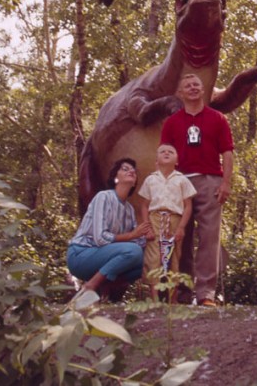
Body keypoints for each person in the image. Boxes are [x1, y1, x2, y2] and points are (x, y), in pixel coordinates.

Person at [160, 73, 234, 306]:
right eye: (187, 86)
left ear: (203, 90)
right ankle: (181, 292)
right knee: (181, 237)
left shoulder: (218, 119)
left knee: (209, 237)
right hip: (180, 181)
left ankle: (205, 295)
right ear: (180, 93)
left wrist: (226, 182)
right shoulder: (172, 123)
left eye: (196, 85)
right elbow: (164, 154)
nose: (192, 88)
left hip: (210, 181)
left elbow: (228, 152)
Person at [67, 156, 152, 301]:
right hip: (81, 255)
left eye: (133, 171)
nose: (131, 171)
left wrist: (148, 238)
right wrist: (133, 235)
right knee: (133, 251)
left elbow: (137, 242)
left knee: (148, 258)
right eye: (125, 169)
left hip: (105, 257)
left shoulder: (129, 209)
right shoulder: (103, 197)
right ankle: (90, 286)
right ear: (115, 178)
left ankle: (105, 291)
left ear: (134, 184)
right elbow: (100, 238)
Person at [137, 143, 197, 301]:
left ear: (177, 161)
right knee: (153, 256)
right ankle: (155, 298)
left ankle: (172, 298)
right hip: (155, 218)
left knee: (174, 256)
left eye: (171, 151)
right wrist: (147, 226)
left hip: (175, 219)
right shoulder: (151, 179)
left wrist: (182, 227)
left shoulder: (181, 180)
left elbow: (188, 205)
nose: (166, 153)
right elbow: (144, 205)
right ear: (156, 160)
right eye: (162, 151)